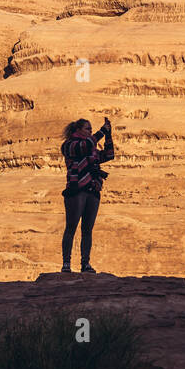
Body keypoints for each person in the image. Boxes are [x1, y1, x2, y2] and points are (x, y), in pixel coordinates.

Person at [60, 116, 114, 273]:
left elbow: (109, 155)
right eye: (88, 129)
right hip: (76, 190)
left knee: (87, 229)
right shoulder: (69, 146)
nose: (90, 132)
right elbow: (85, 145)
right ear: (78, 130)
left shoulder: (92, 150)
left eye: (91, 129)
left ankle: (85, 263)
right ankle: (66, 263)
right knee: (71, 227)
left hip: (93, 190)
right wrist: (102, 131)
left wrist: (109, 135)